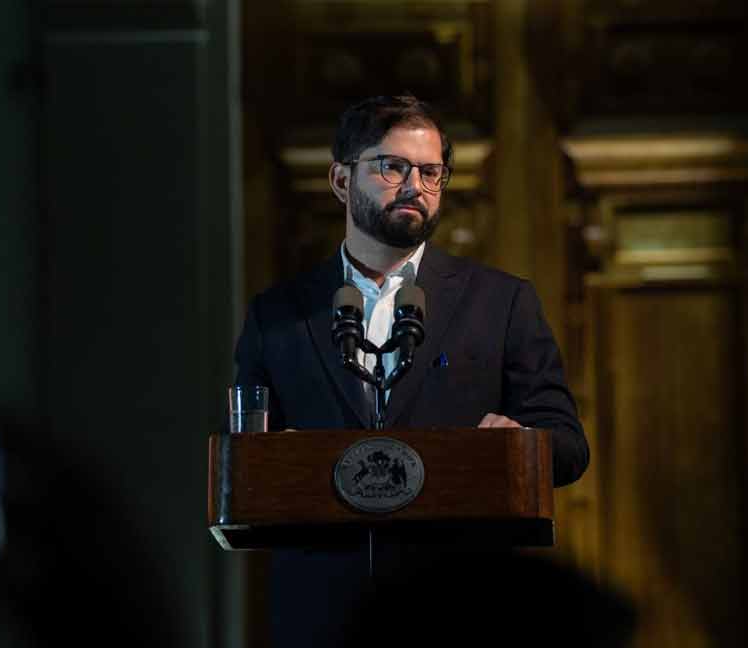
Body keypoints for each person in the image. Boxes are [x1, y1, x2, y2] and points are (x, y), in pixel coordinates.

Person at [232, 95, 589, 647]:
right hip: (324, 614)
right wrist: (285, 458)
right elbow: (244, 457)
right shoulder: (277, 315)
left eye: (430, 172)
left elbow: (567, 445)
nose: (415, 186)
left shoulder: (501, 303)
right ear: (341, 180)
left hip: (459, 607)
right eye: (392, 167)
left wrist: (520, 442)